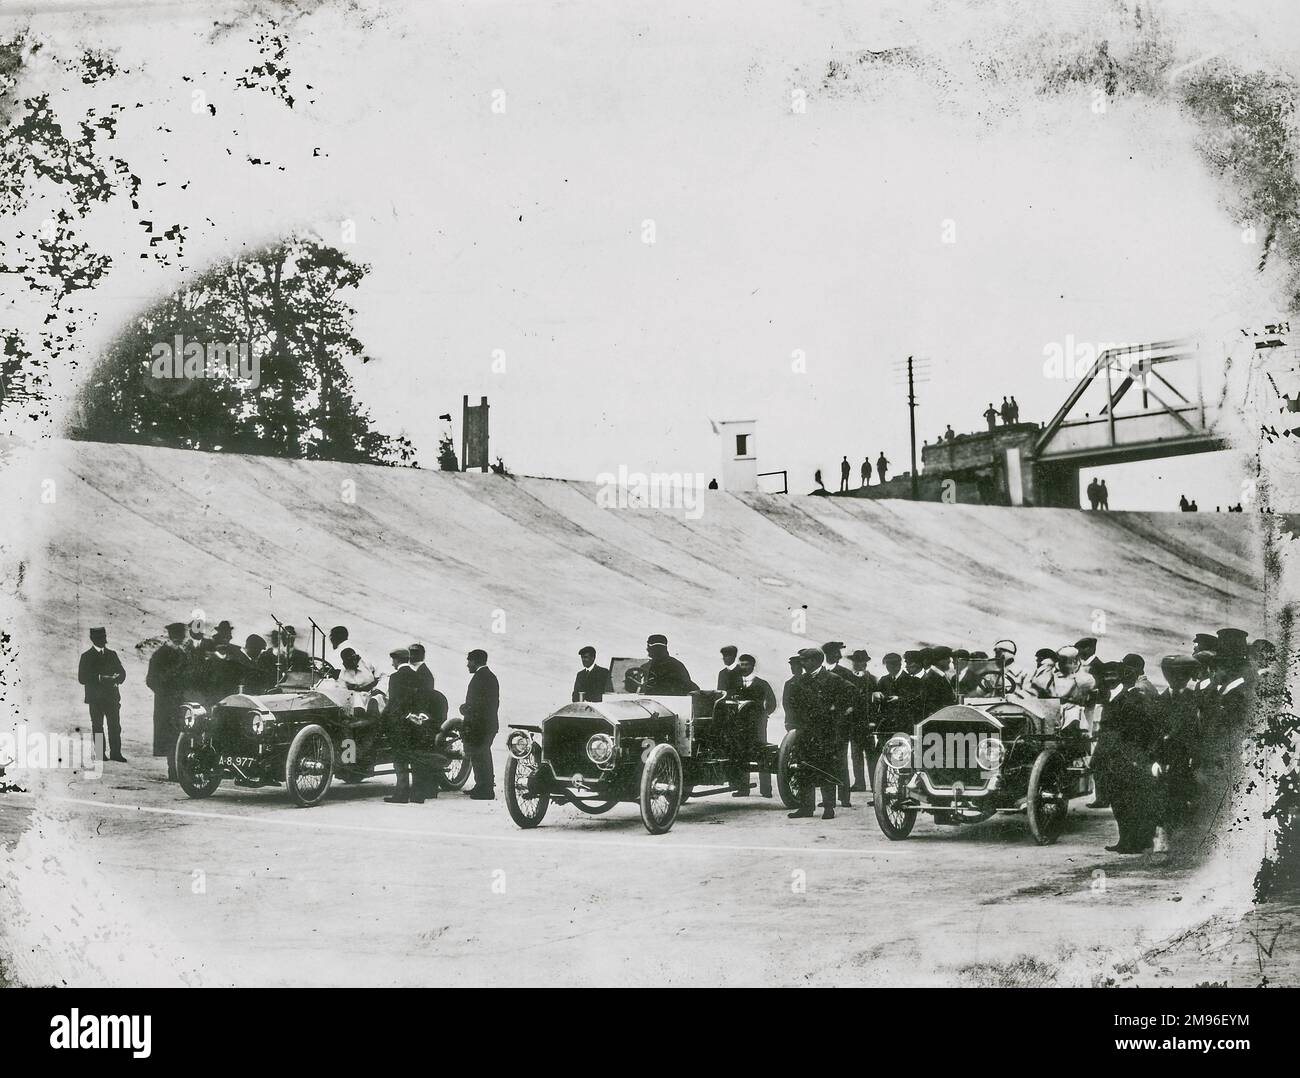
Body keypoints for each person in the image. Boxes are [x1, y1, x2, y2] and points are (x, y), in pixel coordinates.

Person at [786, 647, 853, 820]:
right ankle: (806, 808)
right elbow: (792, 704)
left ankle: (829, 808)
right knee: (803, 769)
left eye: (806, 660)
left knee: (826, 769)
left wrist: (837, 709)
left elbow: (852, 693)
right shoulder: (800, 681)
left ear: (816, 661)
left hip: (826, 732)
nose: (802, 663)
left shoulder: (832, 679)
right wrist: (793, 725)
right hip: (805, 732)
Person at [728, 654, 777, 796]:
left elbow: (772, 702)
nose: (743, 667)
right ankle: (743, 788)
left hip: (757, 725)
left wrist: (764, 715)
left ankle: (766, 790)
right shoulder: (735, 684)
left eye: (746, 664)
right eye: (741, 664)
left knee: (761, 753)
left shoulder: (762, 683)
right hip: (739, 725)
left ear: (752, 666)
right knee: (741, 753)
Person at [78, 627, 127, 763]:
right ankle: (100, 754)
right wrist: (100, 677)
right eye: (100, 637)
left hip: (112, 697)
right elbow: (82, 678)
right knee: (98, 726)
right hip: (95, 699)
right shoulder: (86, 656)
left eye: (104, 637)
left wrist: (117, 678)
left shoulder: (112, 654)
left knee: (115, 726)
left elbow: (122, 673)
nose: (103, 640)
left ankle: (116, 753)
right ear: (93, 639)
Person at [146, 622, 188, 779]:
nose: (180, 639)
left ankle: (180, 770)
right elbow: (151, 680)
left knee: (183, 736)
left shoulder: (184, 654)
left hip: (183, 702)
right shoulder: (160, 655)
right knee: (172, 737)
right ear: (171, 636)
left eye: (181, 637)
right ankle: (173, 771)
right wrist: (166, 692)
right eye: (177, 636)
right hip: (167, 704)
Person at [819, 641, 857, 807]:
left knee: (840, 759)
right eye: (836, 653)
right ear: (829, 654)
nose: (839, 656)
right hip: (823, 724)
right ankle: (828, 800)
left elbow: (854, 694)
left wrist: (841, 709)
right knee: (825, 761)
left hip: (839, 724)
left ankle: (844, 797)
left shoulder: (844, 673)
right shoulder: (820, 673)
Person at [460, 648, 499, 800]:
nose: (467, 665)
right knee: (480, 756)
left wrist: (464, 709)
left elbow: (478, 705)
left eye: (469, 661)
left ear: (475, 661)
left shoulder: (481, 677)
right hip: (486, 725)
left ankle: (486, 790)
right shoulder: (488, 676)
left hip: (480, 726)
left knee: (481, 756)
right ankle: (481, 785)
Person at [847, 648, 879, 793]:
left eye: (860, 662)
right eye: (856, 661)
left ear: (865, 664)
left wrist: (873, 721)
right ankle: (859, 783)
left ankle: (874, 784)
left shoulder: (872, 680)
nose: (858, 664)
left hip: (867, 724)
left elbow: (875, 704)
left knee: (871, 755)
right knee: (855, 754)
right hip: (853, 723)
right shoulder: (848, 679)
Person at [918, 646, 957, 717]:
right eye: (947, 658)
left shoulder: (940, 675)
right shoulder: (931, 678)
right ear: (939, 660)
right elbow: (932, 705)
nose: (950, 661)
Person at [781, 654, 803, 730]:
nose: (792, 669)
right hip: (792, 721)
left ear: (801, 667)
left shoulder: (808, 681)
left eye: (795, 666)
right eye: (791, 666)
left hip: (805, 721)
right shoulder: (789, 683)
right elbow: (785, 703)